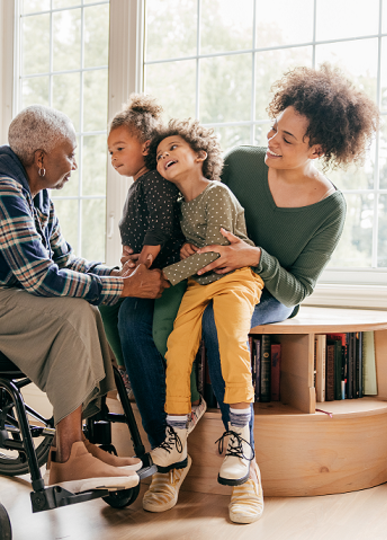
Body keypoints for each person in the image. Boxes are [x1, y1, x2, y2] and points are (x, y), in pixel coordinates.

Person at [118, 63, 379, 521]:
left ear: (317, 149)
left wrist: (255, 257)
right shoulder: (240, 161)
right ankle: (171, 455)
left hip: (266, 290)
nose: (272, 143)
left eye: (287, 140)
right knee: (132, 318)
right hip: (205, 274)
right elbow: (190, 208)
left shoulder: (329, 207)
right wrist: (180, 247)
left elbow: (299, 288)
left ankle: (244, 466)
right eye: (274, 130)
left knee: (219, 329)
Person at [0, 105, 168, 495]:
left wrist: (118, 275)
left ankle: (75, 448)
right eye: (68, 155)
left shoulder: (36, 196)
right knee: (71, 312)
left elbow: (62, 260)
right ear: (40, 159)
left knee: (85, 308)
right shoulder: (0, 188)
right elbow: (39, 278)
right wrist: (127, 288)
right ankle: (69, 454)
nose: (74, 164)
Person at [145, 119, 263, 492]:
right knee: (178, 346)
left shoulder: (218, 193)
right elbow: (192, 249)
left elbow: (214, 253)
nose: (165, 156)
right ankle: (176, 431)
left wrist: (166, 275)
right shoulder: (179, 205)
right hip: (199, 283)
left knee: (230, 337)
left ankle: (239, 437)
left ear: (200, 154)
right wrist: (181, 250)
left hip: (234, 278)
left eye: (173, 148)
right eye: (160, 154)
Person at [99, 94, 204, 416]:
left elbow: (160, 226)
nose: (114, 157)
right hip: (145, 267)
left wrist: (140, 265)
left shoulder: (155, 182)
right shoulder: (139, 184)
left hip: (165, 269)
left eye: (120, 148)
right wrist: (128, 255)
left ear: (145, 147)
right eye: (110, 152)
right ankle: (128, 374)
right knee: (106, 303)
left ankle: (182, 398)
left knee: (143, 325)